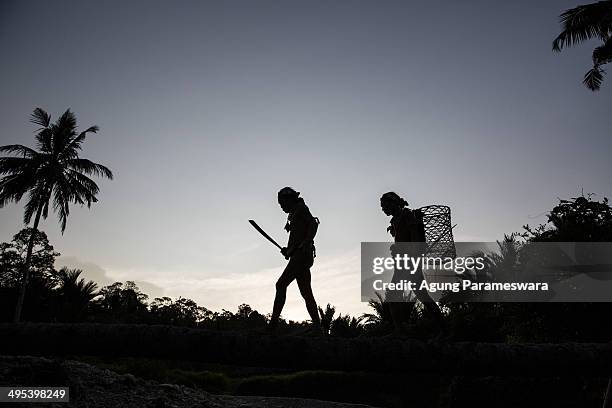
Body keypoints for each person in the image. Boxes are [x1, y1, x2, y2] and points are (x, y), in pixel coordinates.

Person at [380, 191, 443, 330]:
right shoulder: (396, 220)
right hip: (402, 263)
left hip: (410, 263)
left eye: (385, 205)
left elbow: (414, 240)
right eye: (382, 207)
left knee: (395, 294)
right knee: (419, 294)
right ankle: (440, 325)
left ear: (393, 203)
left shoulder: (407, 215)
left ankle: (402, 331)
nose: (383, 209)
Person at [268, 187, 322, 334]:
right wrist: (288, 250)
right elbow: (297, 236)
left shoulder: (301, 208)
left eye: (282, 203)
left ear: (289, 199)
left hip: (302, 256)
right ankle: (318, 327)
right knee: (306, 292)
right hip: (299, 255)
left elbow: (313, 223)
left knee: (281, 284)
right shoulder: (295, 212)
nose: (281, 206)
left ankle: (273, 325)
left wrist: (307, 241)